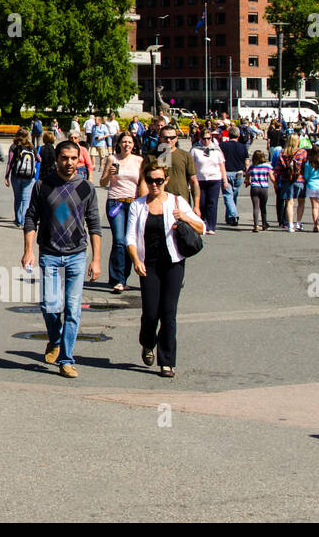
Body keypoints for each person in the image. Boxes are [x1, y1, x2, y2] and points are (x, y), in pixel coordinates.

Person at [22, 140, 102, 378]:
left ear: (79, 160)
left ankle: (66, 359)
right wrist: (28, 250)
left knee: (73, 309)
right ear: (56, 159)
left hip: (77, 254)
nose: (69, 163)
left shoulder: (86, 188)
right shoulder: (42, 185)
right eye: (64, 158)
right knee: (49, 305)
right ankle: (55, 340)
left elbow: (95, 225)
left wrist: (96, 259)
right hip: (50, 253)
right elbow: (30, 218)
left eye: (73, 159)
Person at [127, 158, 204, 378]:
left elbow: (201, 228)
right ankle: (148, 342)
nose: (154, 185)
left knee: (168, 313)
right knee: (151, 312)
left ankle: (167, 361)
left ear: (166, 180)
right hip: (147, 264)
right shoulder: (138, 205)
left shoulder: (177, 202)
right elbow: (130, 236)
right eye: (150, 180)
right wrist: (135, 260)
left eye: (159, 181)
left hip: (174, 263)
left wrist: (184, 219)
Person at [100, 131, 143, 293]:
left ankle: (121, 276)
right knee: (119, 240)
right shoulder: (113, 159)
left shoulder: (139, 160)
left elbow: (142, 183)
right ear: (118, 144)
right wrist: (109, 175)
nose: (127, 145)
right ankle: (118, 279)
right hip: (115, 202)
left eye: (130, 142)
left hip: (133, 202)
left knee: (129, 241)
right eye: (124, 142)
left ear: (134, 145)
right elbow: (103, 183)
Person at [4, 126, 39, 228]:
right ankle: (24, 220)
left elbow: (9, 162)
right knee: (26, 199)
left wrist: (6, 176)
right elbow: (39, 159)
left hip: (16, 175)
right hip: (29, 177)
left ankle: (18, 219)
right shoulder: (31, 146)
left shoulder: (13, 146)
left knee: (18, 198)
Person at [219, 126, 249, 227]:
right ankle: (230, 217)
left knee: (228, 195)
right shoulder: (243, 146)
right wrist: (248, 175)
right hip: (239, 173)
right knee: (233, 196)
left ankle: (234, 215)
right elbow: (247, 162)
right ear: (239, 135)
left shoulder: (222, 145)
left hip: (226, 173)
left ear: (228, 134)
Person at [279, 134, 308, 232]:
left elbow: (279, 168)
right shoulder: (302, 152)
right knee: (301, 201)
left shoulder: (282, 153)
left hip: (286, 179)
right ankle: (298, 223)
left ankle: (290, 224)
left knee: (289, 202)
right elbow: (305, 166)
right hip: (299, 179)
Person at [246, 149, 273, 231]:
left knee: (255, 207)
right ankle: (264, 223)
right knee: (263, 206)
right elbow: (272, 177)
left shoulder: (252, 167)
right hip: (264, 188)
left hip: (254, 187)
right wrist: (276, 184)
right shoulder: (267, 166)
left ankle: (256, 225)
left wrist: (248, 182)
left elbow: (247, 177)